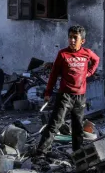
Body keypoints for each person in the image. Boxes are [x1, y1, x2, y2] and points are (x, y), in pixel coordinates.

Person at [34, 26, 100, 156]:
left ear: (83, 41)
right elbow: (53, 75)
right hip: (64, 95)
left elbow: (96, 60)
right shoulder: (63, 54)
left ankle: (77, 153)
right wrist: (48, 92)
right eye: (70, 37)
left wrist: (90, 72)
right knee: (54, 124)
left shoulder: (87, 53)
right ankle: (41, 152)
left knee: (78, 127)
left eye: (76, 37)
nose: (72, 40)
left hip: (80, 96)